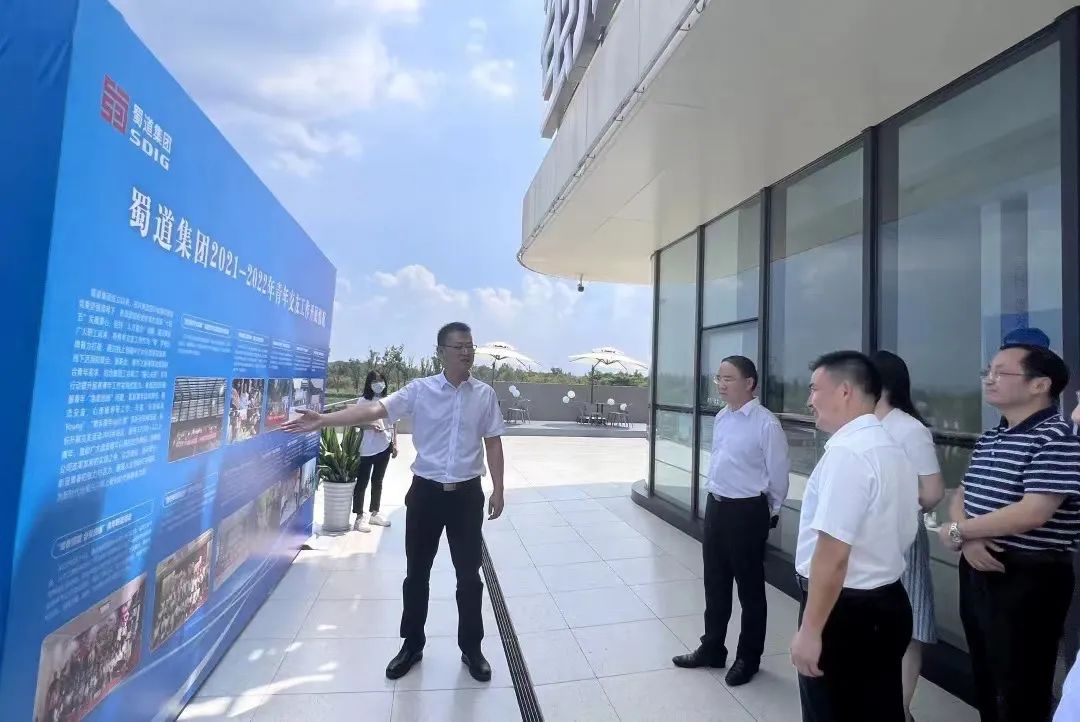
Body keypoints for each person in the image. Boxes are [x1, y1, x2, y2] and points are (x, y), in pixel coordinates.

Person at [283, 321, 505, 683]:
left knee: (469, 577)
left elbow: (493, 441)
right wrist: (323, 420)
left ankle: (472, 649)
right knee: (417, 574)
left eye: (470, 346)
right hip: (425, 494)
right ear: (441, 352)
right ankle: (411, 645)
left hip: (466, 496)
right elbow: (373, 411)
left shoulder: (484, 395)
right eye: (459, 346)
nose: (467, 352)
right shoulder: (420, 390)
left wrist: (499, 488)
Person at [937, 344, 1080, 722]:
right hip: (978, 567)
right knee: (985, 675)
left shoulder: (1058, 436)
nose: (989, 379)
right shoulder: (992, 437)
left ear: (1040, 385)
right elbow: (962, 494)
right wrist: (967, 539)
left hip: (1028, 575)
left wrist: (958, 530)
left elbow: (1033, 512)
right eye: (988, 371)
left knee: (1021, 684)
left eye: (1001, 372)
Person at [790, 351, 919, 722]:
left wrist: (811, 630)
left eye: (814, 389)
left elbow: (833, 555)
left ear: (844, 390)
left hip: (847, 614)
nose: (809, 400)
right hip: (887, 602)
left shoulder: (849, 453)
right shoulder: (889, 447)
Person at [673, 355, 790, 687]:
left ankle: (748, 658)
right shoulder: (723, 416)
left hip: (748, 512)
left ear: (749, 383)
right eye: (718, 378)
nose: (721, 385)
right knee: (715, 582)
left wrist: (767, 511)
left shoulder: (766, 424)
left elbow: (779, 477)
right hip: (717, 506)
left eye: (728, 379)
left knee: (750, 590)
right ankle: (712, 648)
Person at [872, 350, 946, 722]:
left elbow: (933, 493)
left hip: (900, 538)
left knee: (908, 622)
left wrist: (890, 503)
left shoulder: (908, 429)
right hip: (865, 542)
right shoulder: (863, 425)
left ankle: (899, 709)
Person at [353, 370, 398, 532]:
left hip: (384, 445)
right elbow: (355, 422)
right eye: (375, 381)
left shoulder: (388, 401)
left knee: (378, 481)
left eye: (381, 380)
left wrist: (395, 443)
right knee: (362, 482)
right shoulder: (362, 401)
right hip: (366, 448)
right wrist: (370, 425)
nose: (379, 384)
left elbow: (394, 422)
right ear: (369, 383)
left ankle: (375, 513)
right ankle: (359, 516)